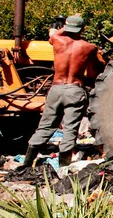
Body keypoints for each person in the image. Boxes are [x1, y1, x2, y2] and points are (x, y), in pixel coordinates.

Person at [21, 15, 105, 168]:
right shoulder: (89, 47)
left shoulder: (57, 41)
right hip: (75, 90)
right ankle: (63, 168)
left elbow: (53, 34)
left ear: (66, 27)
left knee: (45, 127)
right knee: (70, 129)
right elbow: (93, 73)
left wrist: (64, 27)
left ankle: (25, 165)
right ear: (83, 29)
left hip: (56, 89)